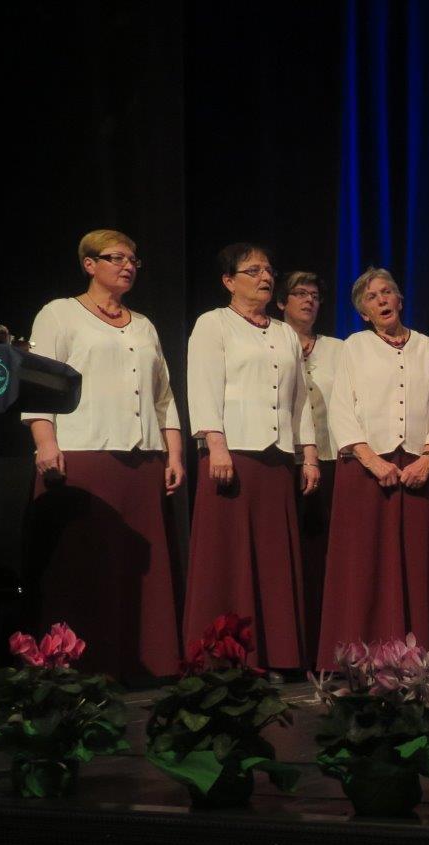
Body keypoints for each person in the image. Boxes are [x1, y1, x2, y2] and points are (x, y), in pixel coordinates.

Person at [22, 229, 183, 681]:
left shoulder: (144, 324)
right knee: (84, 564)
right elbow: (38, 383)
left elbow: (163, 396)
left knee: (138, 567)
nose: (128, 266)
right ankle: (80, 666)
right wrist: (46, 442)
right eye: (116, 258)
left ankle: (143, 664)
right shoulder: (59, 314)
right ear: (89, 264)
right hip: (84, 456)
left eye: (133, 260)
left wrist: (173, 453)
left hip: (142, 458)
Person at [185, 243, 319, 673]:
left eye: (268, 270)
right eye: (253, 270)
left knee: (274, 558)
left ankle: (277, 654)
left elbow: (299, 400)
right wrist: (215, 444)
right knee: (228, 557)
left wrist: (309, 454)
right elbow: (203, 386)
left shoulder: (284, 333)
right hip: (233, 455)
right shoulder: (213, 324)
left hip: (276, 458)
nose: (265, 277)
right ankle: (222, 658)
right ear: (229, 281)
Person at [317, 268, 429, 668]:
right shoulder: (354, 347)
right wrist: (370, 459)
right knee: (365, 562)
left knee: (419, 559)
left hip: (417, 467)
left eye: (387, 292)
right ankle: (362, 653)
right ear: (364, 312)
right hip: (367, 468)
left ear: (400, 299)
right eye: (371, 297)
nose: (381, 300)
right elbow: (341, 407)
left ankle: (419, 653)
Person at [278, 271, 343, 661]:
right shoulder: (272, 341)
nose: (308, 301)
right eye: (300, 294)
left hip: (331, 458)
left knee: (324, 551)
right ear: (281, 302)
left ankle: (325, 637)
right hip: (283, 457)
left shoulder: (338, 349)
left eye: (315, 295)